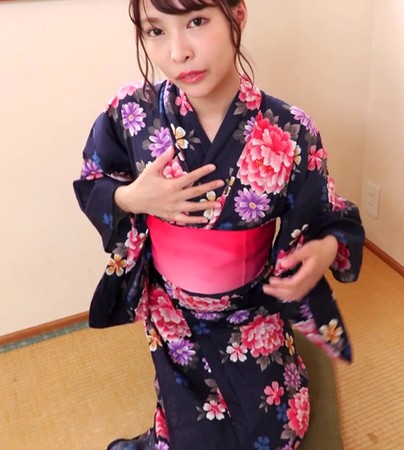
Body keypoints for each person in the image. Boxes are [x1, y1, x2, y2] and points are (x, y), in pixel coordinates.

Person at [73, 0, 364, 448]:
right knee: (190, 434)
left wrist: (324, 250)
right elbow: (94, 180)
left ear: (237, 15)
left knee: (277, 429)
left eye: (196, 21)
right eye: (156, 31)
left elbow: (328, 215)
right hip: (173, 315)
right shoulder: (130, 113)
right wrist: (131, 198)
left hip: (253, 312)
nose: (178, 52)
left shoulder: (289, 129)